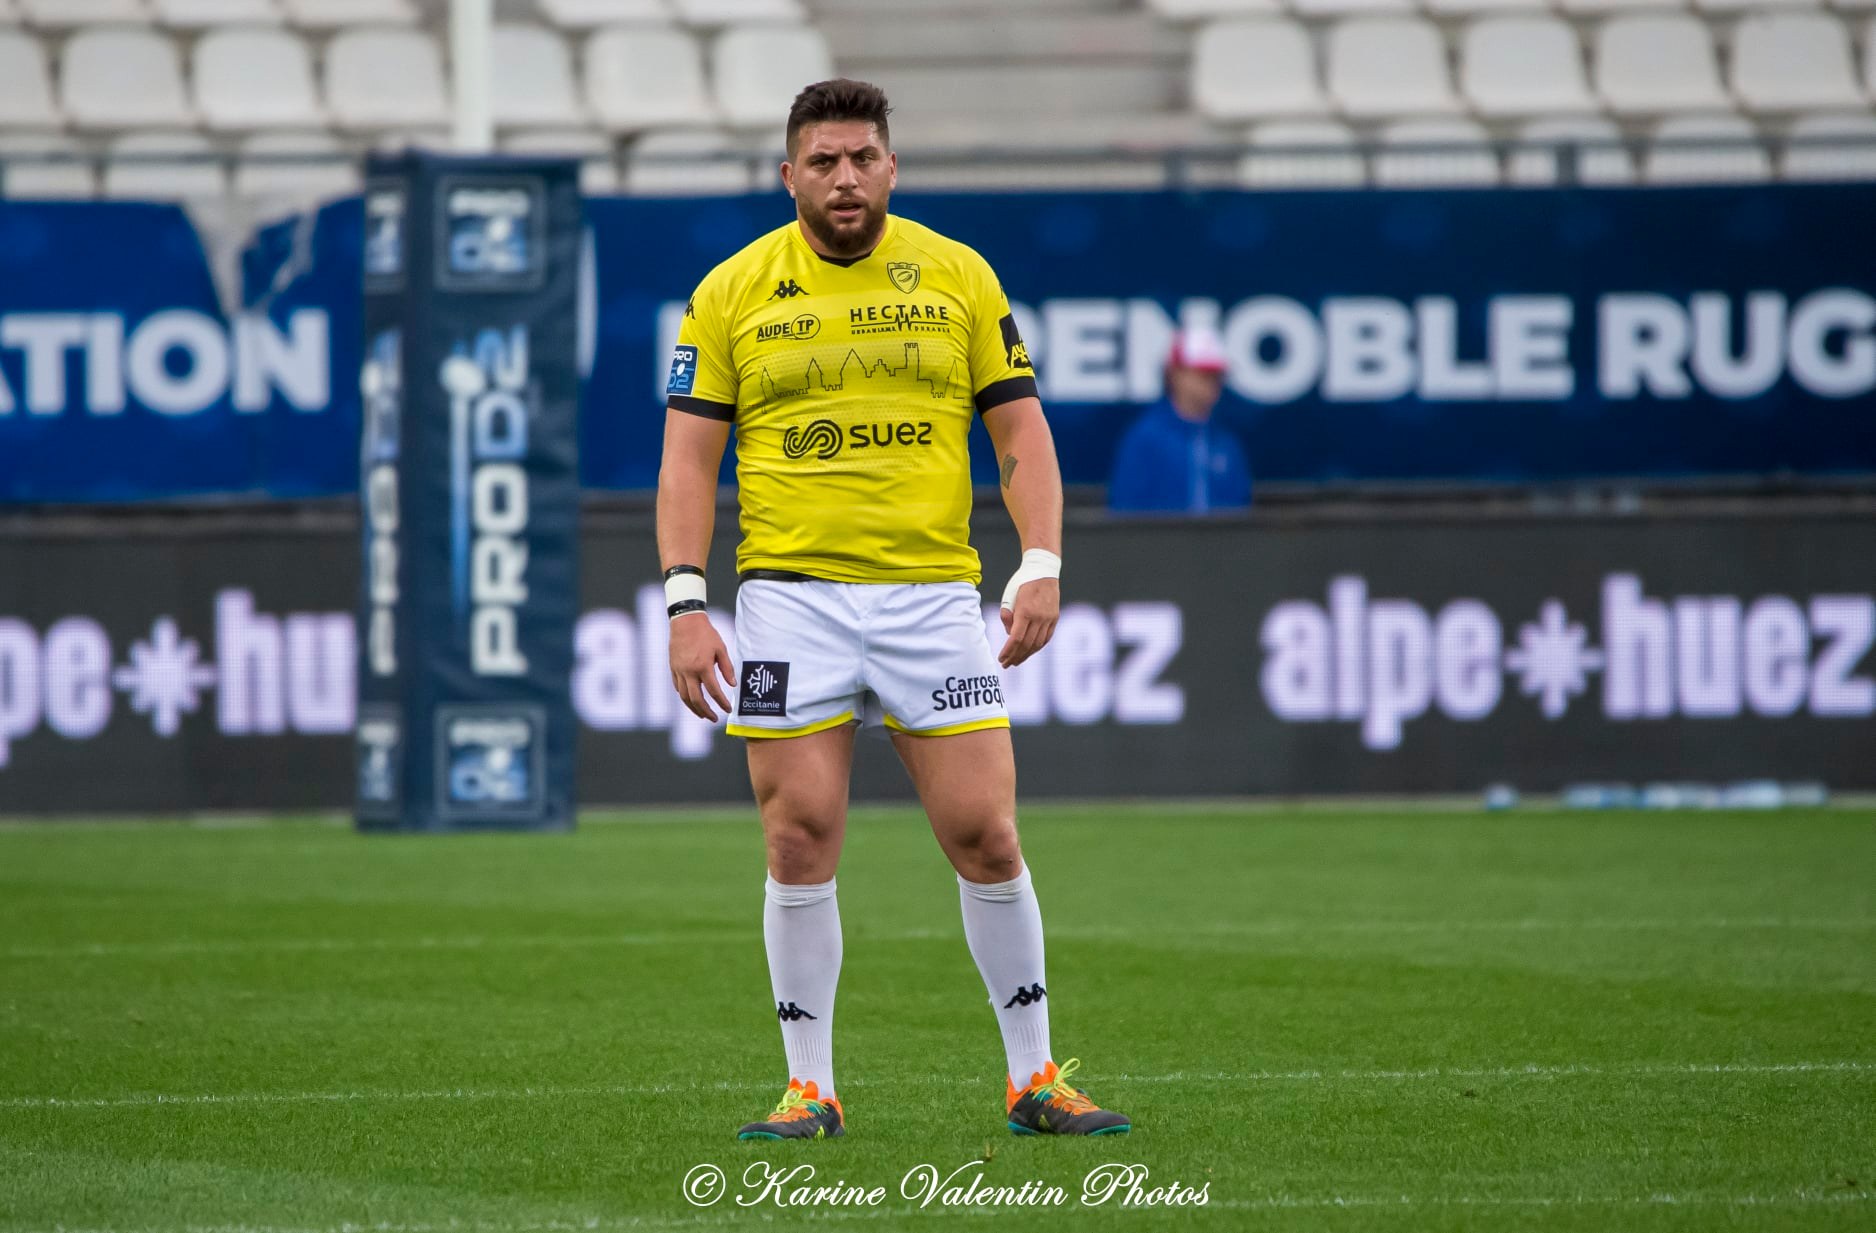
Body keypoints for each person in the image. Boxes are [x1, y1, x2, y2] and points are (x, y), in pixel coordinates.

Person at [655, 79, 1131, 1141]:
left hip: (931, 599)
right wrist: (687, 603)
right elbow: (688, 463)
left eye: (862, 156)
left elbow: (1020, 437)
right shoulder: (731, 292)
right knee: (798, 834)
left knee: (985, 833)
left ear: (890, 167)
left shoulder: (956, 276)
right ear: (789, 177)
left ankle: (1034, 1078)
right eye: (822, 161)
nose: (844, 177)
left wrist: (1039, 560)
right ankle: (808, 1088)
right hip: (790, 602)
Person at [1107, 325, 1252, 514]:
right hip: (1158, 543)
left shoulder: (1226, 443)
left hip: (1222, 544)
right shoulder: (1145, 439)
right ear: (1175, 374)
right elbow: (1124, 512)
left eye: (1216, 376)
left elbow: (1241, 512)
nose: (1211, 384)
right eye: (1203, 375)